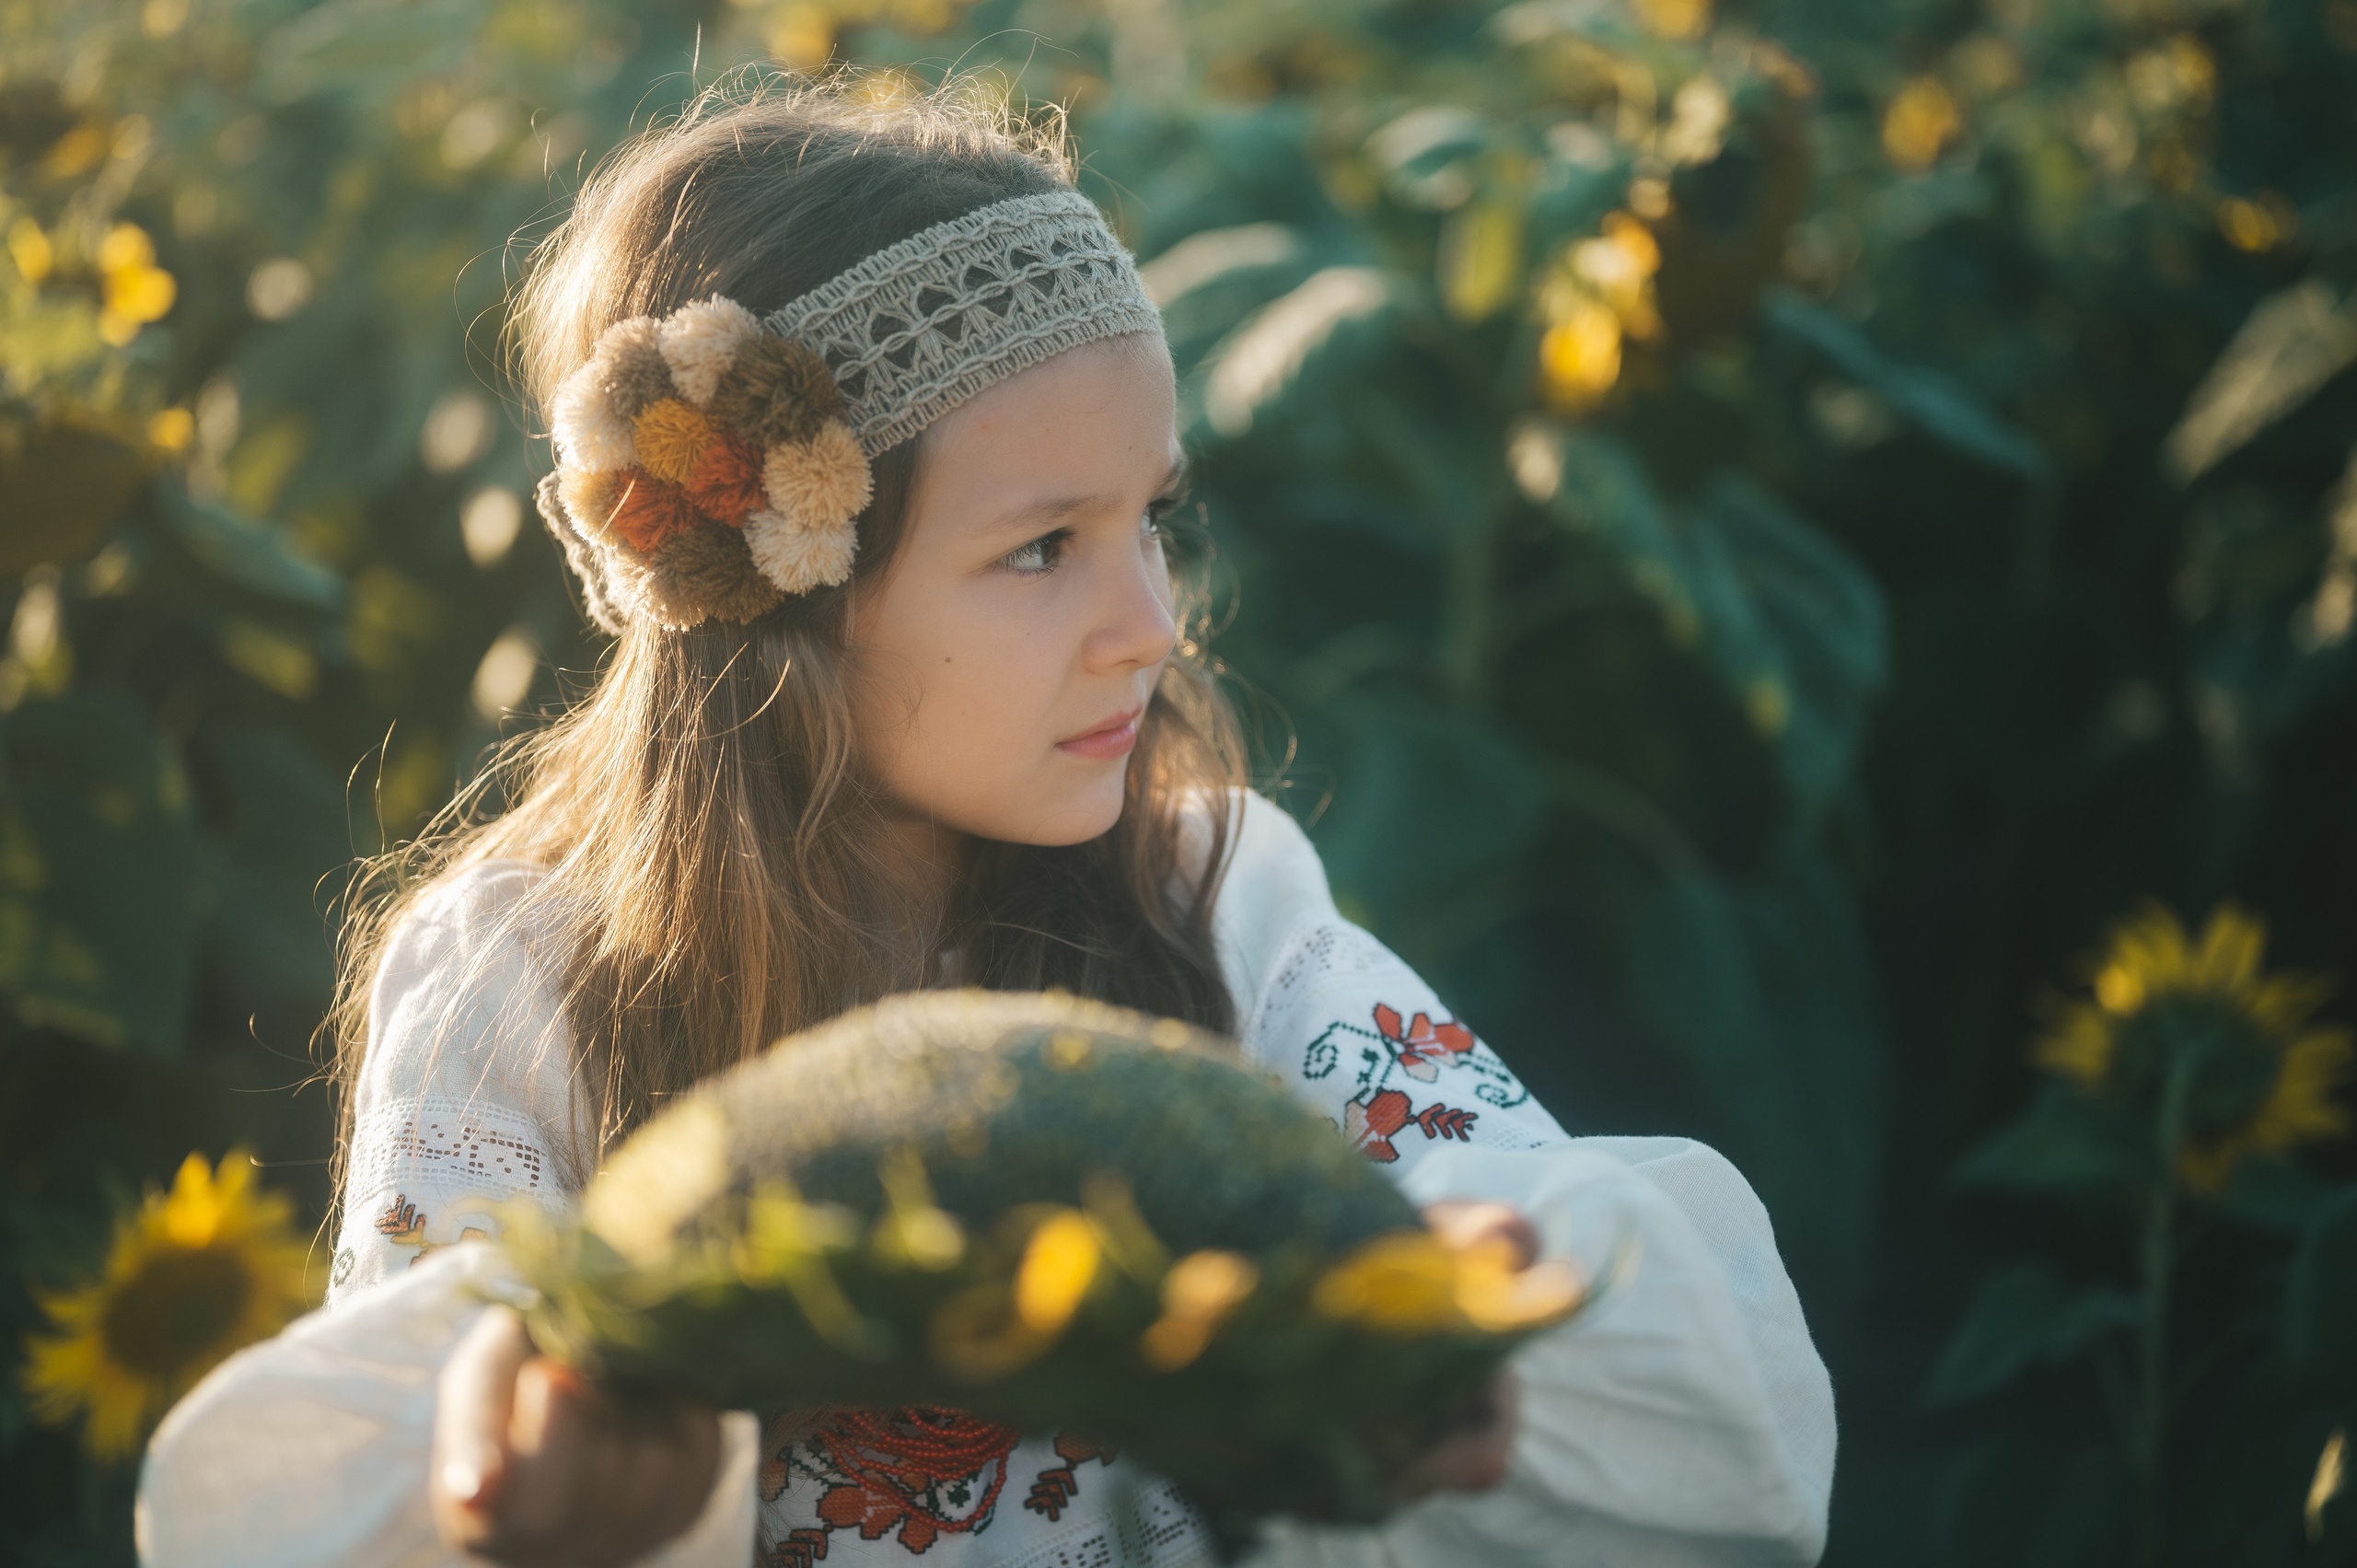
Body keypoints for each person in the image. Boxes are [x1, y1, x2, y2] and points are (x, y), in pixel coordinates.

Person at [134, 75, 1837, 1568]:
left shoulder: (1215, 897)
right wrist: (564, 1490)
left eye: (1151, 518)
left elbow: (1569, 1281)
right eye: (1043, 547)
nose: (1152, 624)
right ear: (779, 587)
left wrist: (1454, 1294)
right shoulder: (526, 980)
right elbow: (416, 1445)